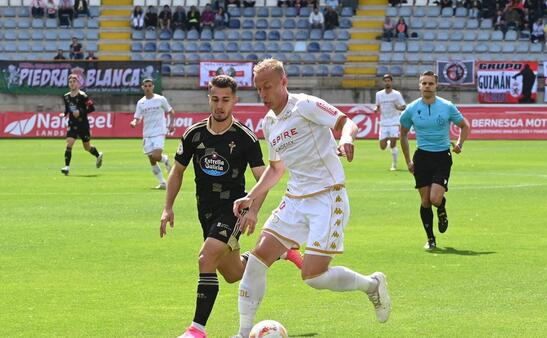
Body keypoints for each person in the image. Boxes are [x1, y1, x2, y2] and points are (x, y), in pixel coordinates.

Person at [230, 59, 391, 338]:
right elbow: (276, 168)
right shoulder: (269, 123)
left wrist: (345, 139)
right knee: (257, 258)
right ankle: (244, 333)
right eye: (258, 89)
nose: (263, 94)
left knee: (313, 277)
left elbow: (346, 122)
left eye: (268, 86)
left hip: (327, 197)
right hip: (294, 199)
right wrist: (251, 197)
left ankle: (371, 285)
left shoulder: (304, 105)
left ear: (284, 82)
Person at [160, 75, 302, 338]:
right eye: (215, 99)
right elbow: (177, 171)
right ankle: (278, 252)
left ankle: (196, 330)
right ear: (209, 99)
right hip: (206, 211)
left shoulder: (245, 138)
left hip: (234, 210)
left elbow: (263, 178)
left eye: (226, 100)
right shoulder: (194, 134)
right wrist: (167, 207)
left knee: (206, 257)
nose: (220, 105)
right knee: (233, 273)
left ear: (235, 101)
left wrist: (254, 209)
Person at [399, 71, 470, 250]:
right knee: (424, 201)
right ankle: (430, 239)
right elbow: (403, 134)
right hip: (422, 156)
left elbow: (464, 125)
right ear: (419, 86)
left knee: (435, 198)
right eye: (424, 83)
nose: (427, 86)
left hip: (442, 157)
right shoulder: (411, 109)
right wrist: (408, 160)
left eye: (430, 83)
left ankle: (442, 207)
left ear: (436, 86)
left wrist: (460, 144)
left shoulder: (447, 106)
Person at [129, 79, 174, 189]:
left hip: (159, 132)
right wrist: (134, 122)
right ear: (143, 87)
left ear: (153, 87)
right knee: (152, 159)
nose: (148, 87)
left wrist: (171, 124)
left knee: (156, 156)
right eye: (146, 86)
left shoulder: (160, 99)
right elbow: (138, 117)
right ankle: (162, 182)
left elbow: (171, 111)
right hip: (147, 134)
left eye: (149, 85)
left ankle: (165, 159)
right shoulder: (141, 102)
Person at [61, 74, 103, 176]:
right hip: (72, 123)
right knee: (69, 144)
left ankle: (98, 155)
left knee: (87, 147)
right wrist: (64, 114)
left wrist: (80, 112)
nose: (72, 83)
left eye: (74, 81)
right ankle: (67, 167)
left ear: (78, 83)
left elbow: (92, 108)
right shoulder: (66, 96)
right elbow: (68, 108)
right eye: (70, 82)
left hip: (83, 124)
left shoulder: (83, 95)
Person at [374, 74, 406, 171]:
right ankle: (389, 143)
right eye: (385, 81)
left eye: (389, 80)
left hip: (394, 121)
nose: (387, 82)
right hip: (383, 122)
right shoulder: (379, 94)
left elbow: (404, 106)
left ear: (391, 82)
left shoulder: (396, 94)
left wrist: (398, 107)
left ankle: (394, 165)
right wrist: (376, 109)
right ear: (383, 82)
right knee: (383, 147)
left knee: (393, 145)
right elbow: (378, 106)